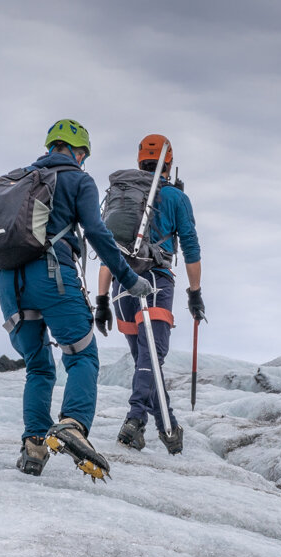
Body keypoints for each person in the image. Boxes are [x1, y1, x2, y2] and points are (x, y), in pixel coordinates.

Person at [0, 119, 150, 480]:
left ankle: (33, 447)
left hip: (8, 282)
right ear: (79, 152)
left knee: (38, 365)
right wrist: (129, 278)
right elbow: (97, 232)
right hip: (53, 276)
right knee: (81, 354)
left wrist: (2, 255)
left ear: (50, 146)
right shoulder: (77, 179)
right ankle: (73, 424)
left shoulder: (11, 180)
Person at [93, 134, 205, 455]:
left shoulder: (125, 198)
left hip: (120, 286)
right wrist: (194, 294)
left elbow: (108, 255)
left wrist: (102, 302)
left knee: (146, 360)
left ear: (139, 161)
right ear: (168, 164)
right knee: (152, 358)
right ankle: (135, 420)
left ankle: (167, 426)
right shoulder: (175, 198)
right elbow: (192, 250)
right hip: (156, 281)